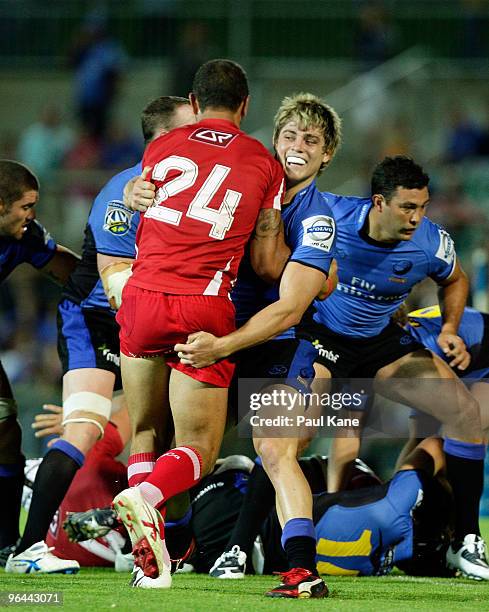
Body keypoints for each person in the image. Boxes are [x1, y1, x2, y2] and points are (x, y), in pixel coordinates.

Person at [112, 58, 286, 591]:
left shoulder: (163, 146)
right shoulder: (263, 162)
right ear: (246, 104)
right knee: (198, 446)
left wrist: (128, 195)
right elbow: (264, 264)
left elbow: (138, 197)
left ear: (192, 101)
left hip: (141, 299)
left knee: (145, 429)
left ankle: (150, 562)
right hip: (201, 305)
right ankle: (145, 498)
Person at [5, 97, 195, 574]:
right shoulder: (121, 193)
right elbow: (112, 284)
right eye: (191, 130)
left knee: (173, 431)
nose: (201, 139)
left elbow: (58, 261)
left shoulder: (193, 194)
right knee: (84, 431)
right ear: (162, 138)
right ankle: (27, 548)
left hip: (144, 322)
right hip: (96, 320)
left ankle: (154, 545)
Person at [173, 93, 340, 597]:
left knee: (274, 448)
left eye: (311, 139)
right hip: (218, 333)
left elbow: (289, 308)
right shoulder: (243, 184)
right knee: (183, 446)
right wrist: (138, 191)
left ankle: (301, 571)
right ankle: (172, 546)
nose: (298, 146)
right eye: (290, 136)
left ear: (327, 153)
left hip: (276, 343)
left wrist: (223, 346)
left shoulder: (318, 219)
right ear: (274, 139)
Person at [297, 156, 488, 579]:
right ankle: (241, 544)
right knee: (285, 433)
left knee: (465, 414)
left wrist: (450, 329)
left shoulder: (429, 242)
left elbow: (454, 279)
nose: (417, 218)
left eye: (423, 207)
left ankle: (466, 541)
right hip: (321, 337)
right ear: (379, 202)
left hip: (380, 345)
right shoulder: (329, 215)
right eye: (408, 207)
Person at [0, 160, 79, 566]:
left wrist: (116, 287)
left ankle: (8, 546)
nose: (32, 215)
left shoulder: (26, 236)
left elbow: (70, 271)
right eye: (25, 206)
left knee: (6, 437)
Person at [21, 403, 131, 570]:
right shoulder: (91, 457)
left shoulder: (57, 548)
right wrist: (85, 418)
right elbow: (133, 408)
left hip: (133, 547)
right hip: (170, 505)